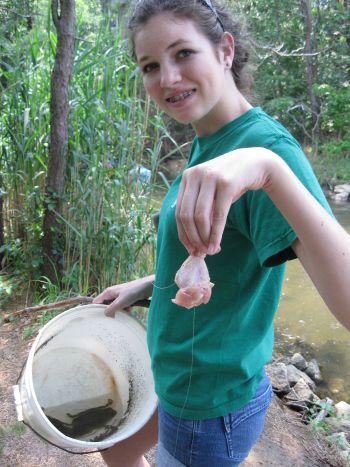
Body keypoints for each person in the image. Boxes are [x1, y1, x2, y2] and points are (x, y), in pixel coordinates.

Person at [93, 1, 350, 466]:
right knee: (115, 452)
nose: (167, 77)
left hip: (207, 405)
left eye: (183, 53)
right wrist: (150, 285)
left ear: (225, 50)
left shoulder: (266, 152)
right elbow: (231, 262)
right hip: (179, 378)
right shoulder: (211, 137)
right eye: (150, 65)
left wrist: (268, 170)